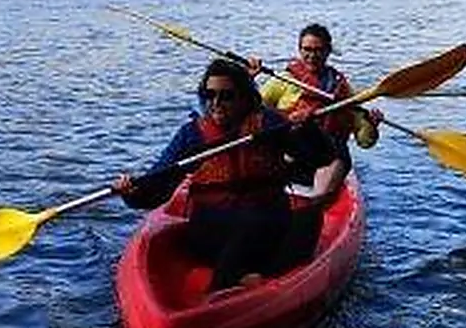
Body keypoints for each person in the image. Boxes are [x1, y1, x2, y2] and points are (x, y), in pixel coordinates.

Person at [113, 59, 340, 292]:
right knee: (254, 223)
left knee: (309, 217)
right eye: (210, 95)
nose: (216, 103)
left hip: (266, 225)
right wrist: (132, 192)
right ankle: (228, 281)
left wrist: (309, 131)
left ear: (244, 97)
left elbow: (321, 158)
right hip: (213, 230)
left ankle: (254, 274)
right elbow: (156, 189)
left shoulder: (268, 123)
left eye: (226, 96)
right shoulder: (192, 135)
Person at [246, 23, 380, 171]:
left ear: (328, 51)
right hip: (291, 154)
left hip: (331, 156)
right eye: (307, 49)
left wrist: (371, 125)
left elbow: (364, 142)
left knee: (336, 151)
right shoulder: (284, 80)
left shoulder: (342, 89)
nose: (312, 56)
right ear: (300, 50)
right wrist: (248, 80)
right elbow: (251, 110)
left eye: (318, 50)